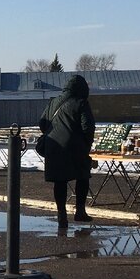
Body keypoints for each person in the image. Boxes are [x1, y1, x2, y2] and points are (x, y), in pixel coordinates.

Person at [39, 74, 96, 230]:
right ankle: (80, 211)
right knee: (82, 176)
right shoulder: (81, 103)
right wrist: (86, 144)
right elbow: (88, 127)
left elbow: (42, 123)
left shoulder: (53, 102)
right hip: (75, 147)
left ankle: (61, 214)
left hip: (54, 147)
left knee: (60, 181)